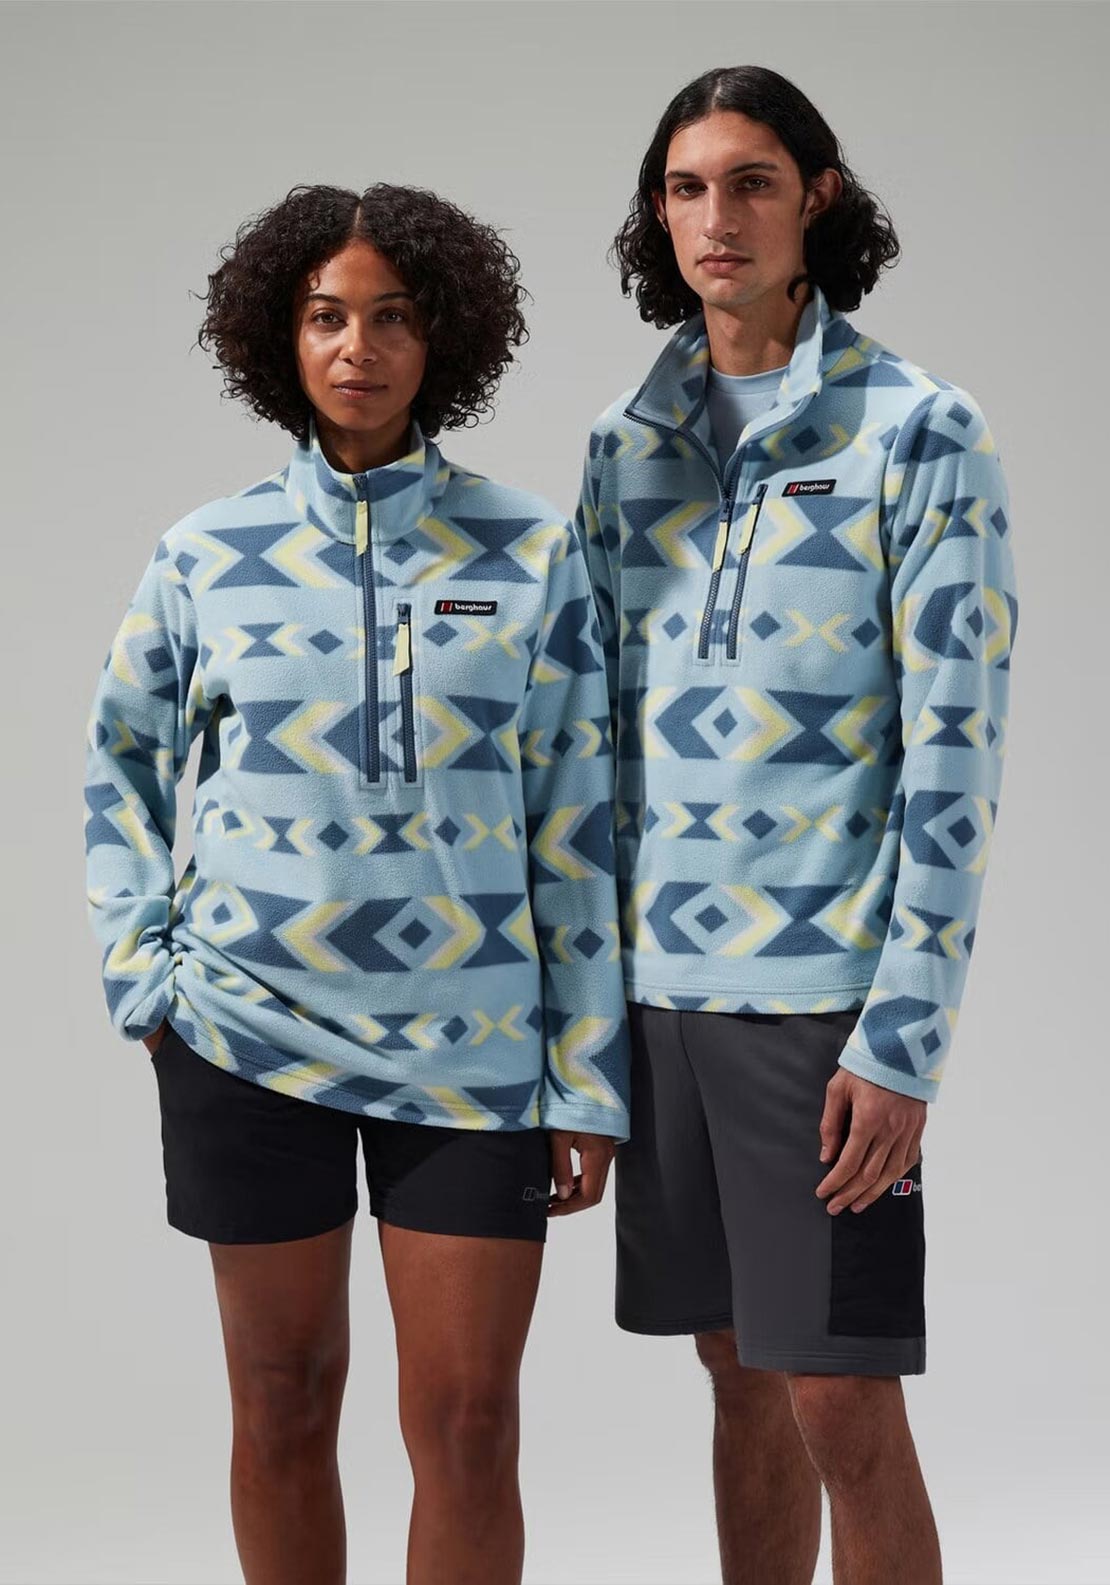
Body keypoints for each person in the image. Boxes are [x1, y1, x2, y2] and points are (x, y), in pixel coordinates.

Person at [83, 181, 630, 1585]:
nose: (358, 349)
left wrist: (585, 1071)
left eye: (392, 318)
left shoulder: (530, 552)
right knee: (280, 1405)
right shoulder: (204, 554)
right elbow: (123, 767)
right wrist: (145, 976)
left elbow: (578, 824)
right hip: (245, 1036)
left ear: (442, 338)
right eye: (327, 317)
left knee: (470, 1424)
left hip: (477, 1051)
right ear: (282, 338)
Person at [572, 66, 1017, 1585]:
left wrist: (903, 1038)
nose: (718, 217)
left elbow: (955, 753)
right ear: (658, 213)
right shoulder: (623, 445)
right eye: (687, 188)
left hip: (821, 1002)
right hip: (658, 998)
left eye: (752, 181)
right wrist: (585, 1027)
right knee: (734, 1371)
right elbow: (591, 750)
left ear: (815, 197)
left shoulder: (919, 430)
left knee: (841, 1396)